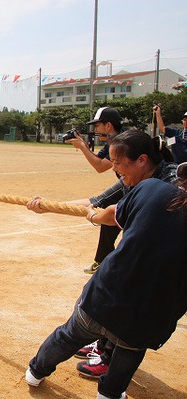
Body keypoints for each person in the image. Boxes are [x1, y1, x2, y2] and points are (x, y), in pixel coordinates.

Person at [25, 161, 187, 399]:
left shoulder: (153, 188)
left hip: (106, 295)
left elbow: (111, 213)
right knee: (130, 350)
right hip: (152, 314)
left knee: (69, 335)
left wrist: (93, 215)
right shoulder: (153, 188)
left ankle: (36, 371)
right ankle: (109, 393)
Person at [66, 107, 122, 274]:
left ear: (109, 126)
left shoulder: (122, 143)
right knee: (110, 215)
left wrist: (83, 147)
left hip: (143, 188)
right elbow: (99, 162)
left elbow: (100, 167)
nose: (95, 130)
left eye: (97, 125)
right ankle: (102, 261)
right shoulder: (113, 142)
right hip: (132, 185)